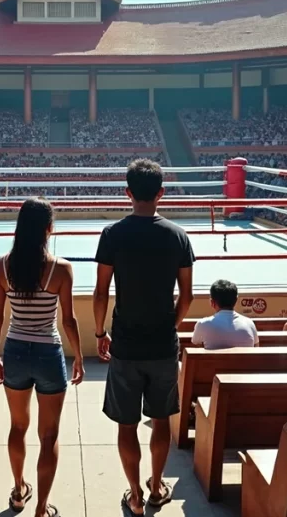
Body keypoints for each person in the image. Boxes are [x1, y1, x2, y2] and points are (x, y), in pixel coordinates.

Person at [93, 159, 194, 516]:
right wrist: (173, 323)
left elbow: (101, 291)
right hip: (162, 344)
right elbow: (188, 295)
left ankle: (134, 494)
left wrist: (100, 331)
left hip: (125, 343)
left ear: (128, 193)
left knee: (127, 424)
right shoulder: (178, 236)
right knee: (161, 419)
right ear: (161, 194)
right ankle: (155, 486)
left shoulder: (112, 234)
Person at [0, 198, 84, 517]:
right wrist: (80, 358)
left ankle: (18, 490)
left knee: (17, 426)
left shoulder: (2, 266)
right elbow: (68, 321)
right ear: (48, 229)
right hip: (48, 354)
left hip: (14, 350)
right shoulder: (61, 269)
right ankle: (41, 508)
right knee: (49, 435)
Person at [191, 279, 258, 349]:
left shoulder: (203, 324)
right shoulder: (249, 324)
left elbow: (195, 346)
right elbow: (256, 347)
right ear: (236, 300)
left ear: (212, 302)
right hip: (244, 360)